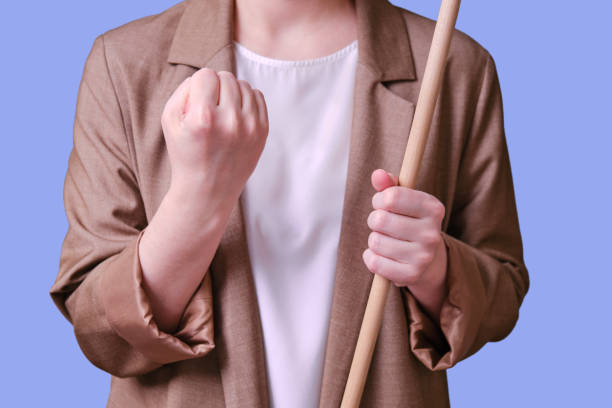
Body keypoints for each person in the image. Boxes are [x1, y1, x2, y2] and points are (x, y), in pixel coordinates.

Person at [49, 0, 530, 407]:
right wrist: (198, 196)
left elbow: (502, 293)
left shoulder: (455, 65)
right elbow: (99, 330)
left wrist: (438, 270)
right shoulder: (123, 62)